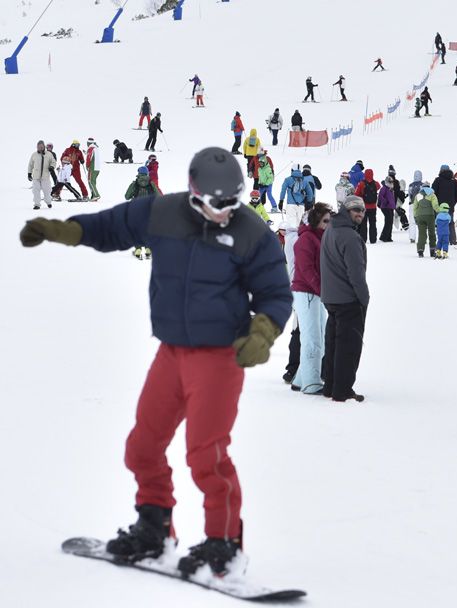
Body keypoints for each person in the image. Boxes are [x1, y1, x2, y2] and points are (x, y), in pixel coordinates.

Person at [20, 146, 291, 575]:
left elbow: (276, 292)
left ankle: (223, 542)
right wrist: (65, 230)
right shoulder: (163, 213)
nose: (226, 211)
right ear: (195, 193)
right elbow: (111, 226)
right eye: (217, 203)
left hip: (219, 358)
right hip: (171, 353)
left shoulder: (251, 232)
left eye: (233, 202)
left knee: (206, 456)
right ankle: (154, 527)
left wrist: (263, 331)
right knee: (142, 447)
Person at [319, 196, 370, 403]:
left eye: (362, 210)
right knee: (348, 347)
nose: (359, 213)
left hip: (331, 297)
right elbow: (356, 273)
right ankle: (342, 390)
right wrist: (364, 298)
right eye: (355, 209)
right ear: (345, 211)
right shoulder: (349, 236)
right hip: (348, 299)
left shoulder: (330, 230)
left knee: (333, 344)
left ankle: (330, 386)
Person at [291, 203, 333, 394]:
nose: (328, 224)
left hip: (315, 293)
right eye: (325, 221)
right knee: (312, 338)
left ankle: (301, 379)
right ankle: (311, 382)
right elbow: (307, 270)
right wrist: (320, 289)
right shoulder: (306, 239)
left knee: (320, 337)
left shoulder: (319, 238)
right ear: (316, 220)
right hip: (306, 293)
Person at [432, 164, 457, 246]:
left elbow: (433, 193)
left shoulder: (437, 180)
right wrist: (453, 203)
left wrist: (435, 204)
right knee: (450, 222)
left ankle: (440, 240)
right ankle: (453, 240)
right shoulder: (454, 181)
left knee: (440, 222)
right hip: (450, 206)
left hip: (439, 206)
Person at [353, 168, 380, 244]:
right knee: (373, 223)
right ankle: (373, 239)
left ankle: (363, 239)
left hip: (363, 207)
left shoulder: (361, 183)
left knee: (363, 224)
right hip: (373, 207)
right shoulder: (376, 183)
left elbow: (356, 194)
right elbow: (379, 186)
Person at [28, 140, 56, 210]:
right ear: (37, 147)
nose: (40, 148)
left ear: (44, 147)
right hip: (36, 177)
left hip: (45, 176)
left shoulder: (49, 154)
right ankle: (37, 204)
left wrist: (52, 167)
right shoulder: (34, 155)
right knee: (35, 191)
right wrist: (29, 173)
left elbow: (53, 161)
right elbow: (30, 165)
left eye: (42, 146)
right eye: (39, 147)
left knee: (47, 190)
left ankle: (48, 202)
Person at [413, 185, 439, 257]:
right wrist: (439, 212)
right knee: (432, 233)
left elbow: (415, 207)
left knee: (422, 234)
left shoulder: (418, 195)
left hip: (419, 216)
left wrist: (415, 216)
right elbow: (435, 205)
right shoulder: (432, 195)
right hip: (430, 216)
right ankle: (432, 251)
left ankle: (420, 251)